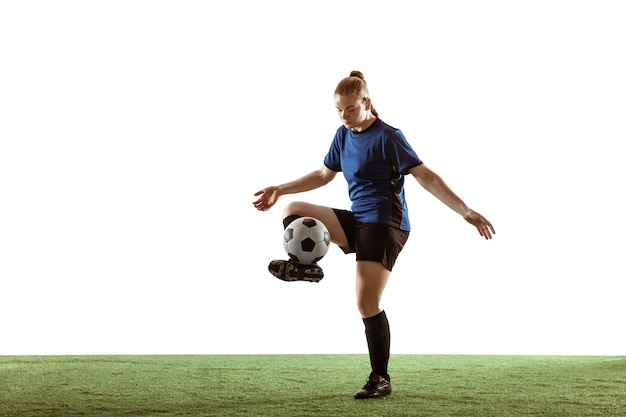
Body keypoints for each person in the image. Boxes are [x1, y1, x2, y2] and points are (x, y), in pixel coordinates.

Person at [252, 71, 495, 400]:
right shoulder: (343, 135)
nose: (344, 116)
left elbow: (426, 176)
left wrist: (465, 210)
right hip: (359, 219)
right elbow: (324, 174)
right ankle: (303, 265)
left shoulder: (388, 137)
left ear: (366, 103)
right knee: (292, 209)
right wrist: (279, 189)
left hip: (386, 224)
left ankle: (380, 377)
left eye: (350, 109)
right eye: (338, 110)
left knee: (366, 302)